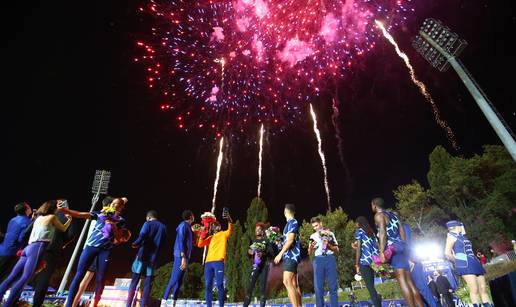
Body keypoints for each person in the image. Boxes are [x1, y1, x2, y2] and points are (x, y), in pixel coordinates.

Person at [0, 200, 72, 307]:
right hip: (38, 248)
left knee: (12, 276)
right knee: (25, 278)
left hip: (28, 248)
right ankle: (8, 304)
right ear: (53, 208)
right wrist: (69, 219)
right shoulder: (52, 217)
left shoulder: (38, 218)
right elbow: (63, 228)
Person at [62, 197, 130, 307]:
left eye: (117, 205)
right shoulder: (100, 214)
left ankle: (95, 304)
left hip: (104, 251)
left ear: (122, 207)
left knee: (100, 279)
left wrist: (113, 226)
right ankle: (69, 304)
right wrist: (67, 211)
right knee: (79, 275)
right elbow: (80, 214)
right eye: (113, 203)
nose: (114, 206)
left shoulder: (121, 220)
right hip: (91, 247)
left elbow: (117, 238)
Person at [372, 197, 423, 307]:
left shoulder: (379, 215)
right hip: (402, 247)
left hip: (393, 249)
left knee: (402, 282)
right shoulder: (393, 215)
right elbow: (401, 231)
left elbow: (383, 234)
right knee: (410, 282)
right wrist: (404, 245)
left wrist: (381, 252)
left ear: (374, 205)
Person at [30, 201, 77, 307]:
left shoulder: (42, 214)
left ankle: (14, 299)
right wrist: (61, 243)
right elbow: (71, 235)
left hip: (34, 246)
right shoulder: (67, 217)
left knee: (26, 274)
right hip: (52, 250)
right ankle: (36, 304)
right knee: (44, 278)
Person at [444, 220, 492, 307]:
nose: (462, 228)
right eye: (460, 226)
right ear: (457, 226)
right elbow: (447, 253)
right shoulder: (451, 236)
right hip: (465, 264)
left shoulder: (462, 236)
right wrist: (457, 261)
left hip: (474, 262)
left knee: (483, 288)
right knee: (474, 289)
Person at [126, 210, 167, 307]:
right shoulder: (163, 227)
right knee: (148, 282)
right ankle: (143, 304)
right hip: (154, 258)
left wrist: (134, 244)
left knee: (134, 280)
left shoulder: (147, 224)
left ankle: (128, 304)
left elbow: (142, 236)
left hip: (142, 255)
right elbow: (163, 243)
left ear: (148, 217)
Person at [197, 211, 233, 307]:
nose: (213, 227)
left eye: (215, 225)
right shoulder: (211, 237)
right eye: (212, 226)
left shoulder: (224, 234)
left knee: (220, 285)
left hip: (218, 261)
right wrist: (203, 233)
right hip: (208, 263)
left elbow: (230, 228)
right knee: (208, 286)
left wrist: (228, 218)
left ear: (219, 226)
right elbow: (200, 244)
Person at [162, 210, 195, 307]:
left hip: (185, 256)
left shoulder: (188, 227)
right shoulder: (183, 225)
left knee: (179, 281)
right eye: (193, 215)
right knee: (174, 279)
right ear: (190, 217)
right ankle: (163, 302)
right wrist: (183, 256)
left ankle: (173, 303)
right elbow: (181, 241)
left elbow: (188, 242)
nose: (194, 216)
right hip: (180, 256)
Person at [274, 203, 302, 307]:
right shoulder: (288, 224)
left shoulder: (293, 222)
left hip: (291, 256)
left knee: (286, 281)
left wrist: (279, 254)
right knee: (294, 284)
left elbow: (290, 241)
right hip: (289, 256)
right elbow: (286, 242)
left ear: (285, 212)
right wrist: (278, 241)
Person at [243, 222, 276, 307]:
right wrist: (249, 252)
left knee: (262, 289)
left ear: (262, 231)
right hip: (255, 267)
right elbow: (249, 254)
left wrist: (263, 253)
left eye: (259, 229)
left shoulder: (266, 241)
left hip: (264, 266)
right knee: (250, 288)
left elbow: (272, 253)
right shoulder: (253, 241)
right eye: (256, 229)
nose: (257, 231)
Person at [309, 216, 339, 307]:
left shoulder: (330, 233)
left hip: (330, 258)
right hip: (318, 260)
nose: (315, 228)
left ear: (321, 223)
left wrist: (328, 245)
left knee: (333, 287)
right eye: (313, 226)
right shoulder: (312, 236)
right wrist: (311, 247)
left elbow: (337, 249)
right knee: (318, 288)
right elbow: (309, 252)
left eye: (316, 225)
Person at [0, 202, 33, 281]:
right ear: (26, 210)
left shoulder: (13, 219)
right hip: (12, 251)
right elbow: (21, 238)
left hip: (2, 248)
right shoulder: (27, 222)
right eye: (28, 207)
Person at [354, 216, 381, 307]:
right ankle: (378, 300)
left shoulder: (359, 231)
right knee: (372, 286)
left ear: (358, 223)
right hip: (373, 261)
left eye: (356, 223)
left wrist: (357, 263)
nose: (355, 225)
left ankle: (378, 303)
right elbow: (376, 246)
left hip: (364, 262)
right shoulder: (371, 232)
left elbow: (359, 249)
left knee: (370, 288)